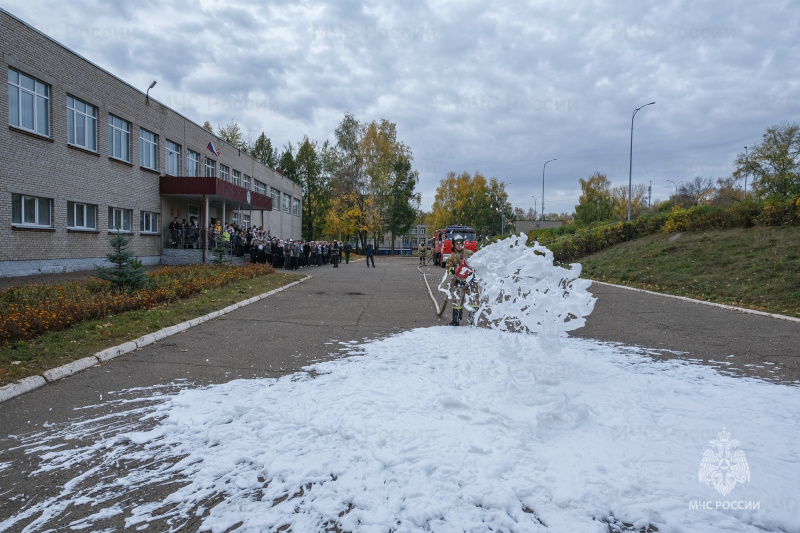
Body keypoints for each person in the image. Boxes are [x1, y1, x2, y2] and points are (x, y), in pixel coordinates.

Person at [444, 234, 476, 326]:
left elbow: (476, 263)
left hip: (471, 281)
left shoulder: (469, 253)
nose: (459, 245)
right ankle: (455, 321)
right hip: (458, 281)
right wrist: (453, 270)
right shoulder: (451, 257)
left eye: (460, 243)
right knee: (457, 301)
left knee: (474, 300)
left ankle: (473, 321)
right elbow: (448, 269)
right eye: (457, 243)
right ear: (454, 245)